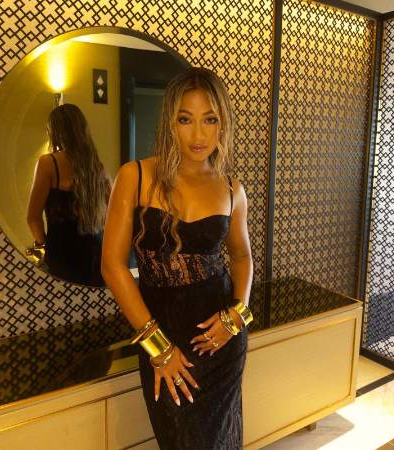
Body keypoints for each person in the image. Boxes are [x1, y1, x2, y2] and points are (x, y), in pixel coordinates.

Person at [101, 67, 254, 449]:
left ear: (223, 124)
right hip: (161, 333)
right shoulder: (135, 176)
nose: (198, 135)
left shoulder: (232, 189)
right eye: (186, 119)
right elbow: (112, 266)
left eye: (210, 119)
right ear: (171, 122)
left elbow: (241, 257)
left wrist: (237, 315)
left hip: (219, 340)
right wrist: (159, 348)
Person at [27, 103, 112, 287]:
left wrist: (43, 248)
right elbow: (113, 218)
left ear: (54, 131)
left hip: (61, 256)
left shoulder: (48, 163)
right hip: (96, 256)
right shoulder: (97, 167)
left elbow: (33, 217)